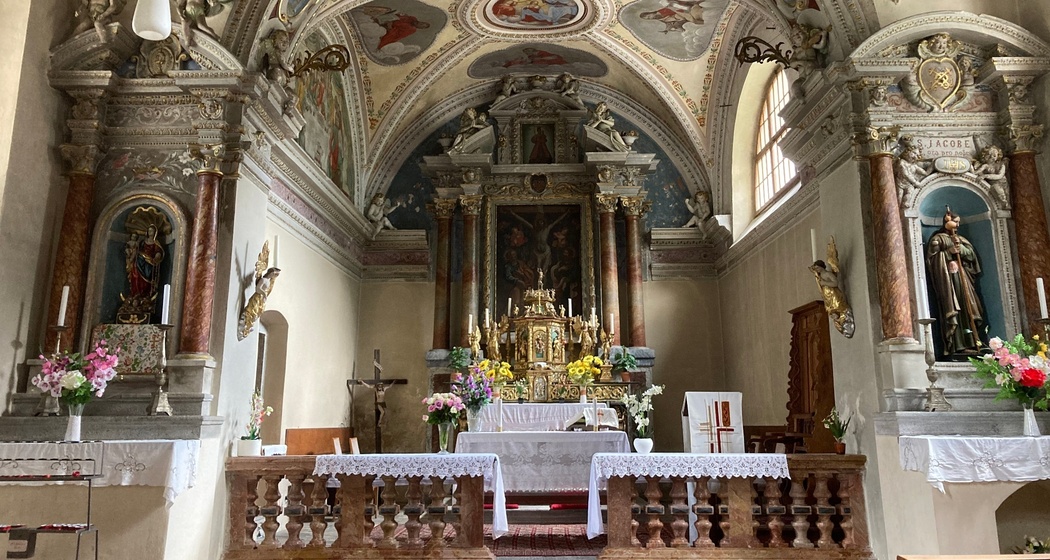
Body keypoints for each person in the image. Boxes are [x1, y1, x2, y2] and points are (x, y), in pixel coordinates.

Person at [926, 207, 986, 356]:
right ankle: (957, 345)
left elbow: (971, 256)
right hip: (949, 281)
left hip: (963, 278)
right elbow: (932, 260)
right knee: (955, 308)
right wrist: (948, 253)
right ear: (947, 222)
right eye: (956, 222)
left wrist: (961, 250)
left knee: (970, 306)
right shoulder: (938, 239)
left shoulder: (960, 239)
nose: (958, 225)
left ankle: (974, 342)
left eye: (959, 222)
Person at [127, 225, 164, 301]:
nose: (150, 232)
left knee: (148, 276)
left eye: (152, 231)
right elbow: (137, 250)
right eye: (149, 230)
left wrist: (156, 257)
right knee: (136, 276)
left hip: (149, 263)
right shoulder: (143, 242)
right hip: (139, 261)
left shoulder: (156, 243)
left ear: (155, 233)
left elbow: (158, 251)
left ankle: (145, 294)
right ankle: (136, 293)